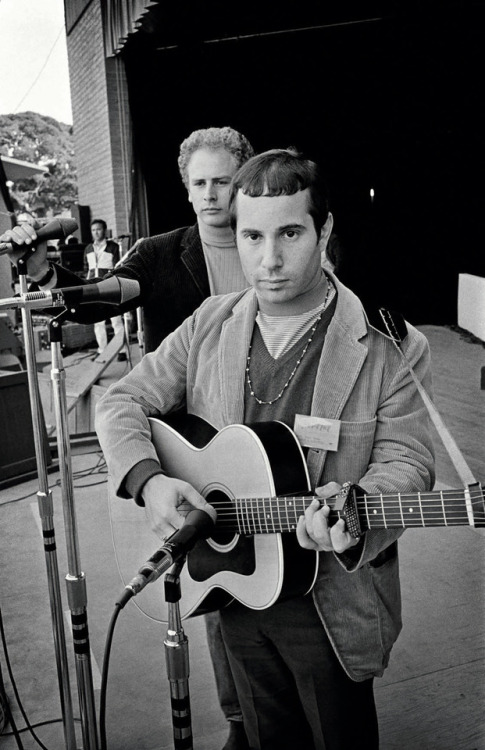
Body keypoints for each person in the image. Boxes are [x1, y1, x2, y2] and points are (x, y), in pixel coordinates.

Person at [93, 148, 435, 749]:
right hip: (233, 590)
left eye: (291, 233)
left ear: (324, 230)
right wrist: (150, 480)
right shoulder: (209, 323)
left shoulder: (387, 343)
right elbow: (121, 401)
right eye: (251, 235)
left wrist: (357, 507)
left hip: (333, 605)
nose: (269, 258)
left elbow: (409, 462)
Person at [0, 126, 256, 750]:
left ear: (244, 179)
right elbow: (92, 304)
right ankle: (242, 720)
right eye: (198, 182)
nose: (209, 194)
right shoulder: (164, 252)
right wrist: (42, 261)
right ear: (184, 187)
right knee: (226, 582)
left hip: (273, 430)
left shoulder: (269, 241)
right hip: (204, 439)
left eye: (221, 180)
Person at [82, 218, 128, 360]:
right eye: (93, 230)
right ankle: (102, 350)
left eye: (99, 229)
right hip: (93, 288)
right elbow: (86, 268)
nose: (96, 232)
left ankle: (122, 351)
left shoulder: (113, 246)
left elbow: (119, 266)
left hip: (109, 286)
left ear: (104, 230)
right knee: (98, 321)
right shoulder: (88, 248)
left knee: (116, 320)